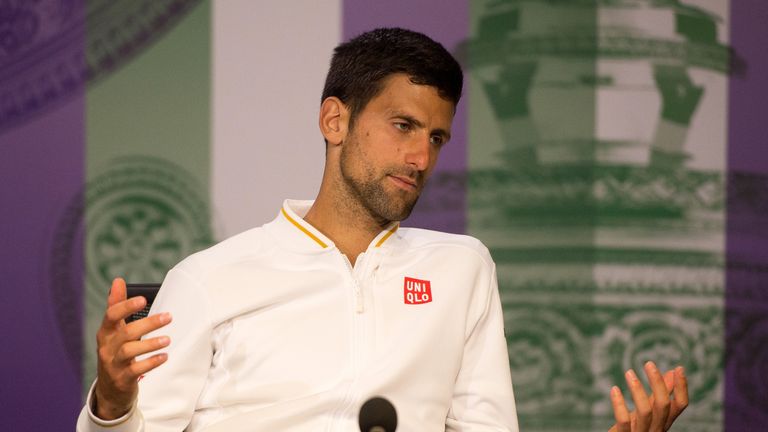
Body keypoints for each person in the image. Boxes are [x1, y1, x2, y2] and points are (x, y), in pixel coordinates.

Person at [77, 28, 688, 431]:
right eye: (402, 126)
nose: (421, 158)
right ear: (334, 120)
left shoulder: (463, 268)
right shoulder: (208, 280)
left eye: (437, 138)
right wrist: (111, 402)